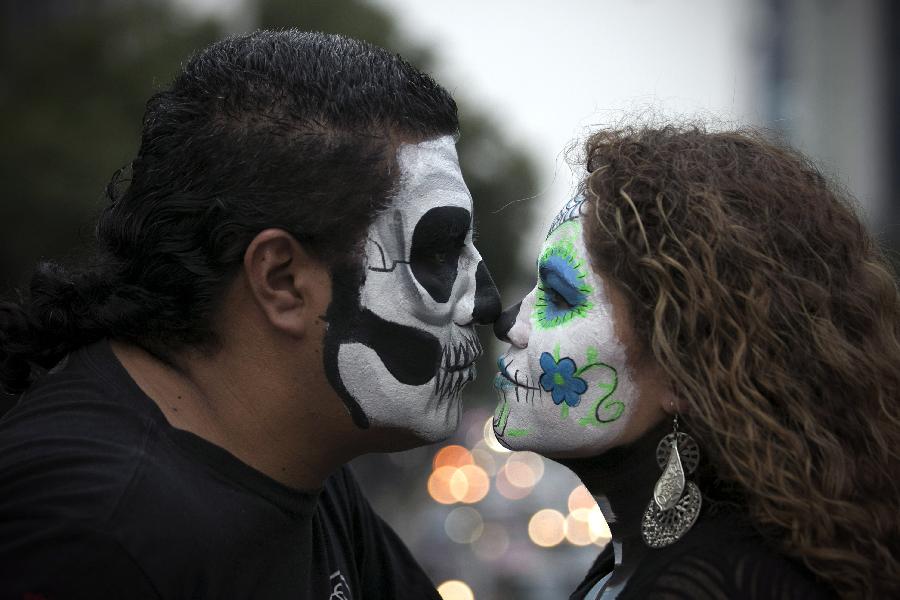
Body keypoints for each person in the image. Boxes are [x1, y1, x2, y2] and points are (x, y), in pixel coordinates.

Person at [0, 29, 500, 599]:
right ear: (281, 280)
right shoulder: (91, 538)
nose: (485, 302)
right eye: (438, 250)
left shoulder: (301, 469)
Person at [492, 124, 900, 599]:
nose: (510, 322)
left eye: (559, 297)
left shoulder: (707, 585)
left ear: (685, 366)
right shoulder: (651, 558)